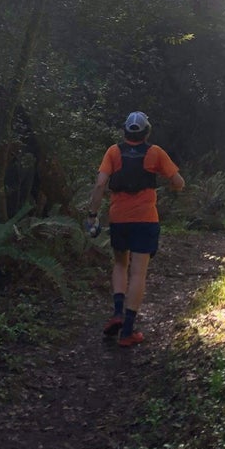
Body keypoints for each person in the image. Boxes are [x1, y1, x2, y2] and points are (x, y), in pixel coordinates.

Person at [85, 111, 184, 347]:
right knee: (138, 273)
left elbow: (100, 184)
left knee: (120, 264)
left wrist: (92, 214)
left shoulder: (113, 152)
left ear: (125, 131)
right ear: (146, 131)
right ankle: (127, 331)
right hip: (145, 219)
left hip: (119, 219)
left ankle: (117, 313)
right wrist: (170, 182)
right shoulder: (155, 153)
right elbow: (179, 183)